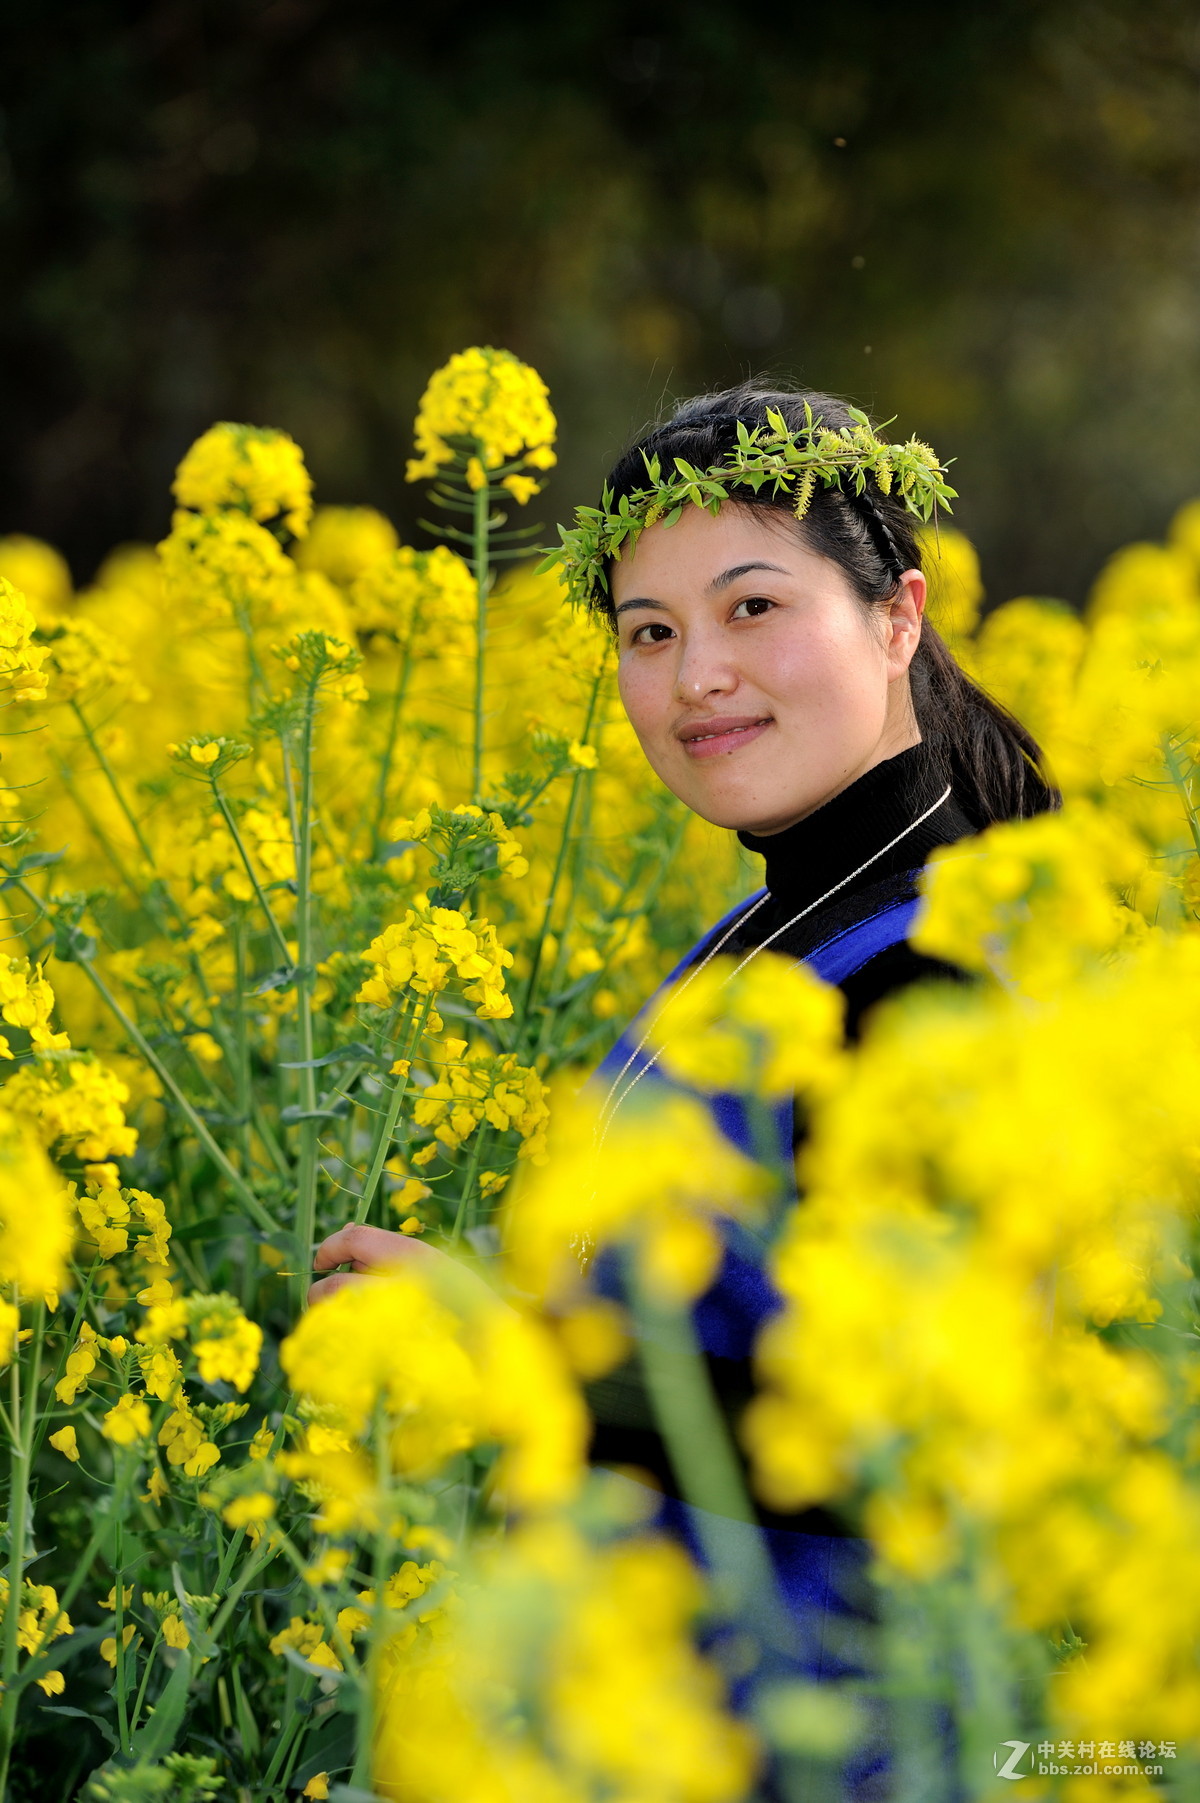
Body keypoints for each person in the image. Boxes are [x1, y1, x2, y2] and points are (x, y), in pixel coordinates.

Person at [310, 383, 1057, 1793]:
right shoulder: (779, 928)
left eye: (752, 608)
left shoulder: (927, 980)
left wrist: (514, 1358)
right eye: (649, 634)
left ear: (898, 618)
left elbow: (897, 1442)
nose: (695, 674)